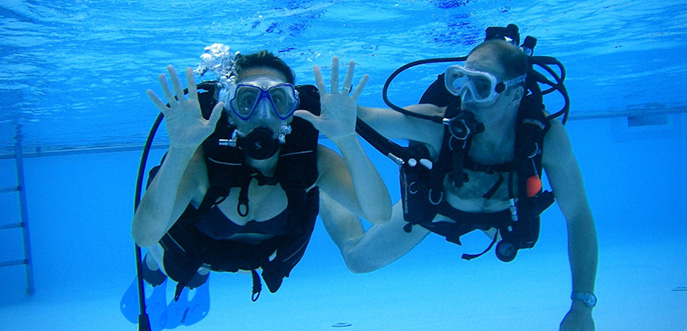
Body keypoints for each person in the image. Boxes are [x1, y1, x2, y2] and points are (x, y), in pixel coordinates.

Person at [319, 39, 598, 330]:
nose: (466, 96)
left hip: (504, 215)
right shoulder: (438, 124)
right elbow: (372, 119)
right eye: (459, 80)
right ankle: (322, 185)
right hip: (439, 206)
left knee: (517, 240)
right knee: (356, 261)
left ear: (514, 95)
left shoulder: (546, 138)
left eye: (481, 86)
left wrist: (582, 305)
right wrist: (343, 112)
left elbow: (578, 215)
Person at [130, 50, 391, 303]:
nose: (263, 114)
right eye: (247, 100)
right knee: (173, 267)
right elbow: (145, 235)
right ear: (229, 107)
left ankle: (192, 275)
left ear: (293, 107)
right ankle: (154, 266)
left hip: (259, 259)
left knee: (195, 273)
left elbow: (379, 214)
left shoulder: (313, 162)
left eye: (278, 99)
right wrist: (180, 151)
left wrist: (347, 139)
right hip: (196, 254)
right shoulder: (200, 163)